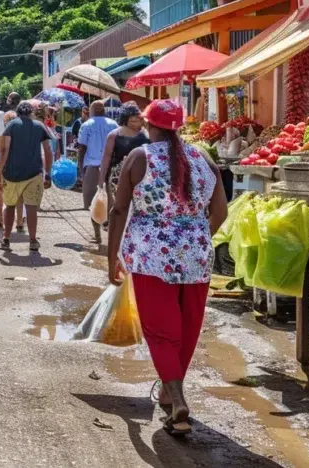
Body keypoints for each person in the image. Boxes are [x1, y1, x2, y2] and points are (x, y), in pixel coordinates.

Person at [107, 99, 226, 437]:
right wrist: (196, 238)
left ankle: (177, 399)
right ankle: (170, 394)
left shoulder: (139, 158)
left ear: (149, 125)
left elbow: (118, 212)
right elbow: (220, 213)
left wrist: (111, 257)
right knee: (187, 328)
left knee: (161, 331)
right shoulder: (204, 159)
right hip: (197, 258)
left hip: (151, 257)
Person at [0, 100, 53, 251]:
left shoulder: (11, 125)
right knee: (31, 207)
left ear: (18, 112)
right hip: (34, 173)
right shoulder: (39, 126)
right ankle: (33, 240)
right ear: (31, 113)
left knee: (9, 206)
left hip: (11, 174)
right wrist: (48, 173)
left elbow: (4, 149)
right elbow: (48, 150)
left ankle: (6, 239)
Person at [77, 101, 117, 243]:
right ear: (104, 110)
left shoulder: (86, 125)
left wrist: (80, 168)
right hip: (112, 168)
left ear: (91, 111)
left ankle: (97, 235)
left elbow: (81, 148)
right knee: (111, 201)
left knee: (92, 201)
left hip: (92, 167)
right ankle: (111, 232)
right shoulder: (114, 124)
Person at [98, 102, 148, 208]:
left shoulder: (145, 135)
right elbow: (106, 158)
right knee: (118, 205)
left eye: (138, 120)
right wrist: (101, 179)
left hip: (140, 177)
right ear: (125, 120)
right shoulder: (114, 135)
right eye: (133, 120)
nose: (136, 123)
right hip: (117, 177)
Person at [0, 93, 21, 230]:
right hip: (15, 153)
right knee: (18, 185)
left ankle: (0, 218)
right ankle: (19, 220)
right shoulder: (20, 116)